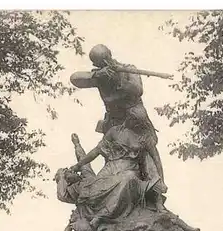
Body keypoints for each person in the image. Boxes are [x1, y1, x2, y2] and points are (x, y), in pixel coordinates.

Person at [70, 44, 166, 189]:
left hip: (135, 116)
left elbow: (138, 90)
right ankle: (112, 184)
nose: (103, 63)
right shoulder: (100, 75)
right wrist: (97, 75)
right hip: (114, 121)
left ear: (109, 55)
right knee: (111, 154)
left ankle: (157, 184)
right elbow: (75, 78)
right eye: (99, 62)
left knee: (147, 149)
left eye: (105, 59)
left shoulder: (128, 69)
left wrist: (119, 79)